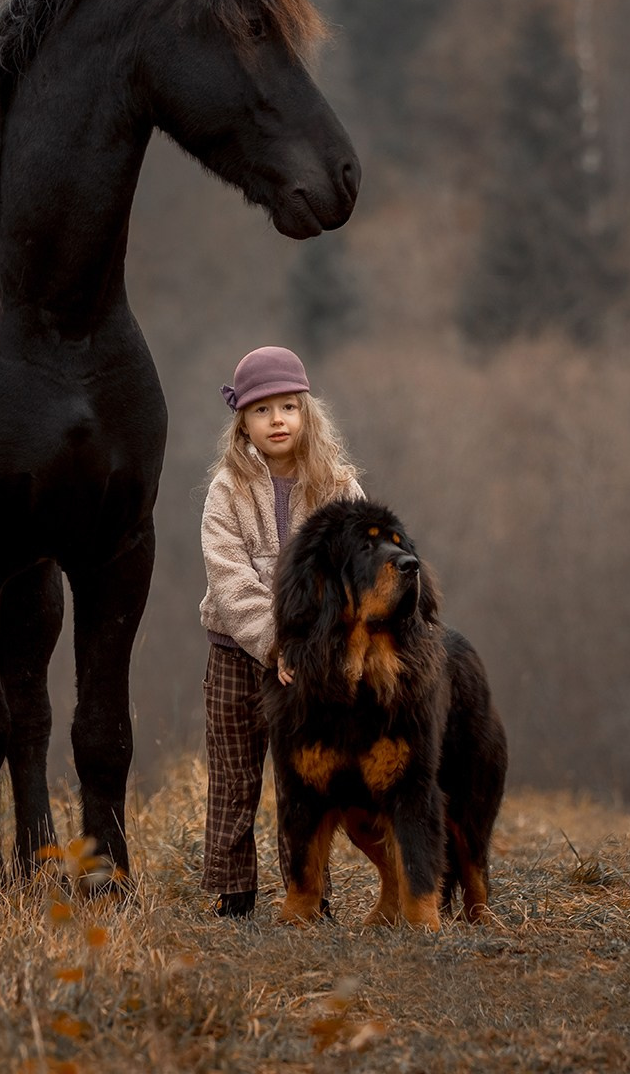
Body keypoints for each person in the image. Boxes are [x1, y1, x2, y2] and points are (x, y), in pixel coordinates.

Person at [199, 345, 364, 917]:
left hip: (313, 661)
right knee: (233, 776)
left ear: (307, 413)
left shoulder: (338, 487)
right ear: (241, 420)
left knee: (305, 780)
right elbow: (228, 577)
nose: (277, 420)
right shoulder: (227, 489)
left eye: (288, 407)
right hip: (236, 654)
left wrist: (310, 645)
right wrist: (273, 644)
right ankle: (234, 893)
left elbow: (357, 571)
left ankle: (307, 891)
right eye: (262, 410)